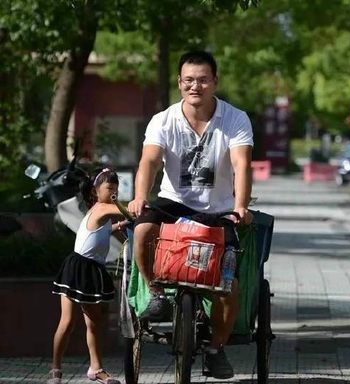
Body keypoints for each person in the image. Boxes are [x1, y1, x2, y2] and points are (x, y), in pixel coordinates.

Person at [127, 50, 253, 379]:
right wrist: (141, 197)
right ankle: (155, 291)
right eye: (188, 80)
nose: (194, 86)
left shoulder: (235, 119)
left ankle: (216, 349)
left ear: (214, 82)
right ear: (179, 83)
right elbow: (149, 162)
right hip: (174, 203)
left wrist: (241, 205)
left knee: (228, 285)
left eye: (202, 79)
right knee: (141, 231)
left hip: (219, 209)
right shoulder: (163, 120)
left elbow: (241, 164)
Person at [48, 168, 128, 384]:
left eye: (116, 188)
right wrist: (138, 210)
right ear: (96, 189)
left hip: (90, 268)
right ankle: (55, 370)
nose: (114, 192)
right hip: (78, 268)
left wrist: (119, 226)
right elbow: (129, 212)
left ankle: (95, 368)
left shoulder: (97, 210)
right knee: (67, 321)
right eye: (109, 187)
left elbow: (101, 231)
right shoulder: (103, 207)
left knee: (93, 323)